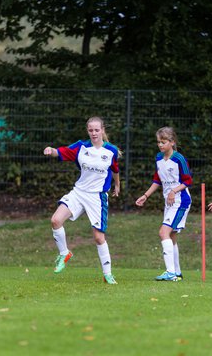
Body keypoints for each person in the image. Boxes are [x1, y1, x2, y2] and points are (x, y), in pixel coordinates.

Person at [43, 116, 121, 284]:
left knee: (99, 238)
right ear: (88, 131)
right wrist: (51, 150)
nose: (94, 133)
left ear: (102, 130)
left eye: (97, 130)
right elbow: (61, 152)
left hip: (97, 197)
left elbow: (115, 168)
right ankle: (64, 253)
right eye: (90, 130)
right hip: (79, 193)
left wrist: (117, 185)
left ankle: (107, 274)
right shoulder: (81, 147)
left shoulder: (111, 151)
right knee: (56, 220)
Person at [135, 126, 192, 281]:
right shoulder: (158, 158)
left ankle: (170, 272)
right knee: (171, 236)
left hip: (181, 201)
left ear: (172, 142)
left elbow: (188, 181)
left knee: (163, 232)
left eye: (164, 142)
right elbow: (157, 180)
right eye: (158, 142)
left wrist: (174, 191)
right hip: (169, 202)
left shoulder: (179, 159)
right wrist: (145, 195)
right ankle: (177, 273)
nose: (160, 145)